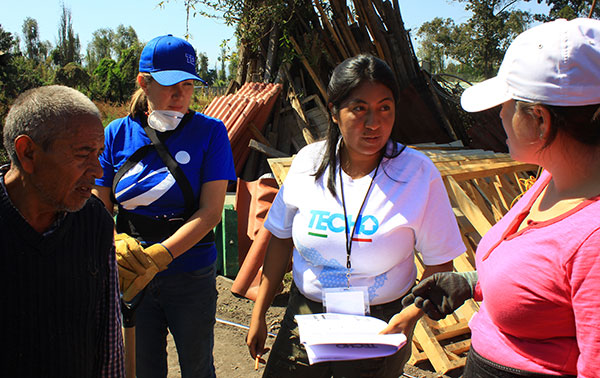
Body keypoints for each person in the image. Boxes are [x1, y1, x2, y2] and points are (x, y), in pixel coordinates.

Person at [396, 18, 600, 377]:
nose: (500, 114)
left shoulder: (593, 239)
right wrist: (475, 283)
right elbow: (550, 282)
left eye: (507, 103)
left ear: (540, 120)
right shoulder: (553, 177)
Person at [246, 54, 466, 378]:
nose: (373, 123)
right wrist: (259, 312)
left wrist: (411, 315)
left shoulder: (418, 174)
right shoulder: (308, 163)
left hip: (381, 325)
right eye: (359, 108)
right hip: (306, 317)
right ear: (334, 112)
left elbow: (440, 262)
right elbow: (279, 238)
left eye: (384, 108)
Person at [92, 34, 236, 378]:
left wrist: (161, 256)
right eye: (171, 85)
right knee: (141, 367)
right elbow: (100, 200)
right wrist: (115, 242)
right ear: (144, 83)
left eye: (188, 85)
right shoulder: (116, 133)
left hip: (190, 271)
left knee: (197, 365)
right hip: (129, 270)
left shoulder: (211, 133)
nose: (181, 95)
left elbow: (211, 212)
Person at [0, 85, 124, 377]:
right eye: (83, 154)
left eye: (99, 154)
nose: (97, 170)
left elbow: (108, 338)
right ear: (28, 152)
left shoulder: (95, 221)